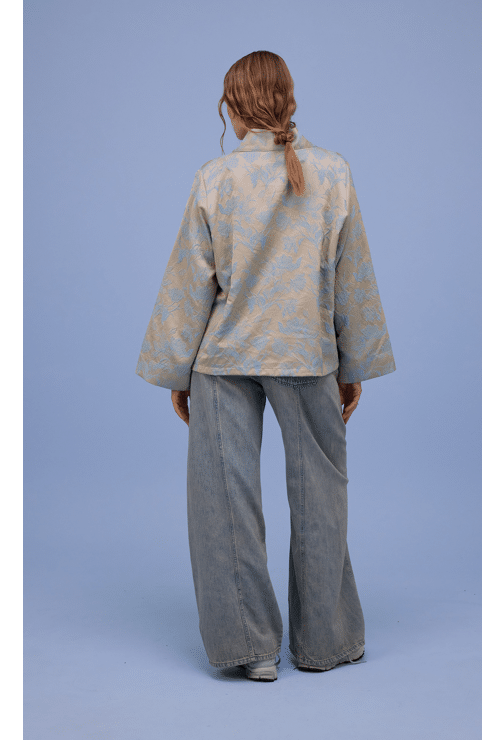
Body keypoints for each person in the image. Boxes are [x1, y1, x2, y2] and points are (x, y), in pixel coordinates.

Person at [135, 51, 396, 682]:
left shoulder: (215, 177)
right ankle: (326, 642)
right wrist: (352, 364)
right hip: (308, 354)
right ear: (289, 99)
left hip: (222, 358)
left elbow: (190, 280)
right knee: (321, 495)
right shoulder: (333, 171)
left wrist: (177, 371)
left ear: (232, 107)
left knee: (225, 500)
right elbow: (352, 275)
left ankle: (248, 648)